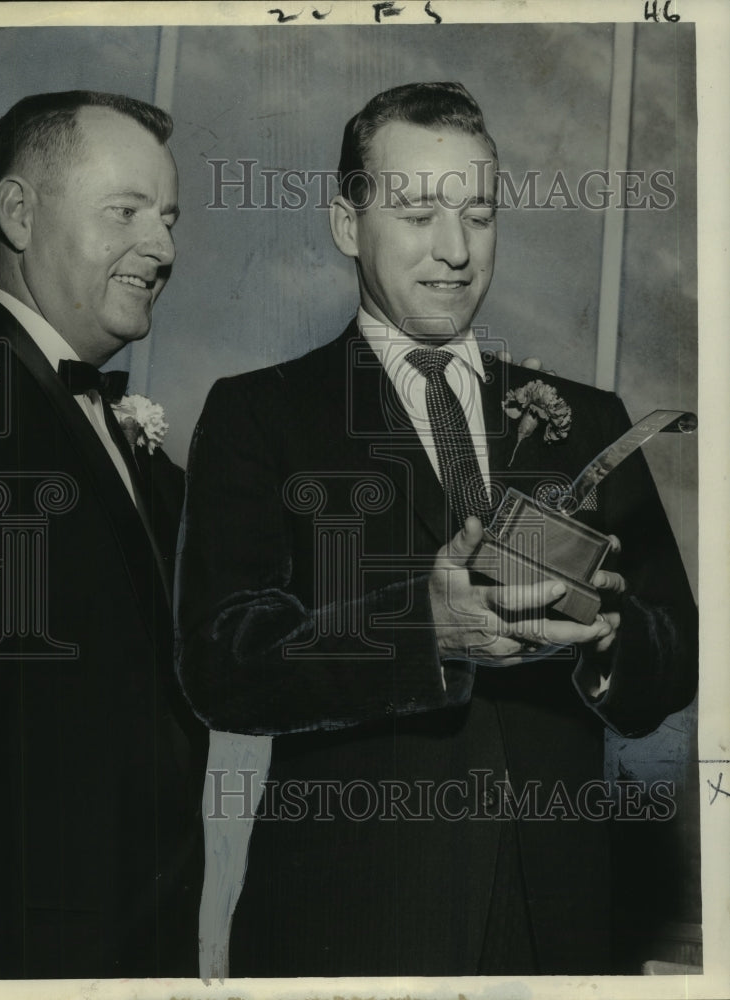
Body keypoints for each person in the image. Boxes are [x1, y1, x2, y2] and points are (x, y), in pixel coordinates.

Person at [175, 82, 697, 976]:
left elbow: (676, 649)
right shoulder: (258, 414)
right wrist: (426, 627)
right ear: (347, 224)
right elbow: (224, 664)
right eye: (416, 213)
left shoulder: (589, 415)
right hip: (353, 925)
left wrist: (602, 638)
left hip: (561, 923)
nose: (454, 252)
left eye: (479, 215)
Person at [0, 91, 207, 979]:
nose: (163, 248)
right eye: (125, 211)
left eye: (167, 219)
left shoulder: (149, 465)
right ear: (18, 213)